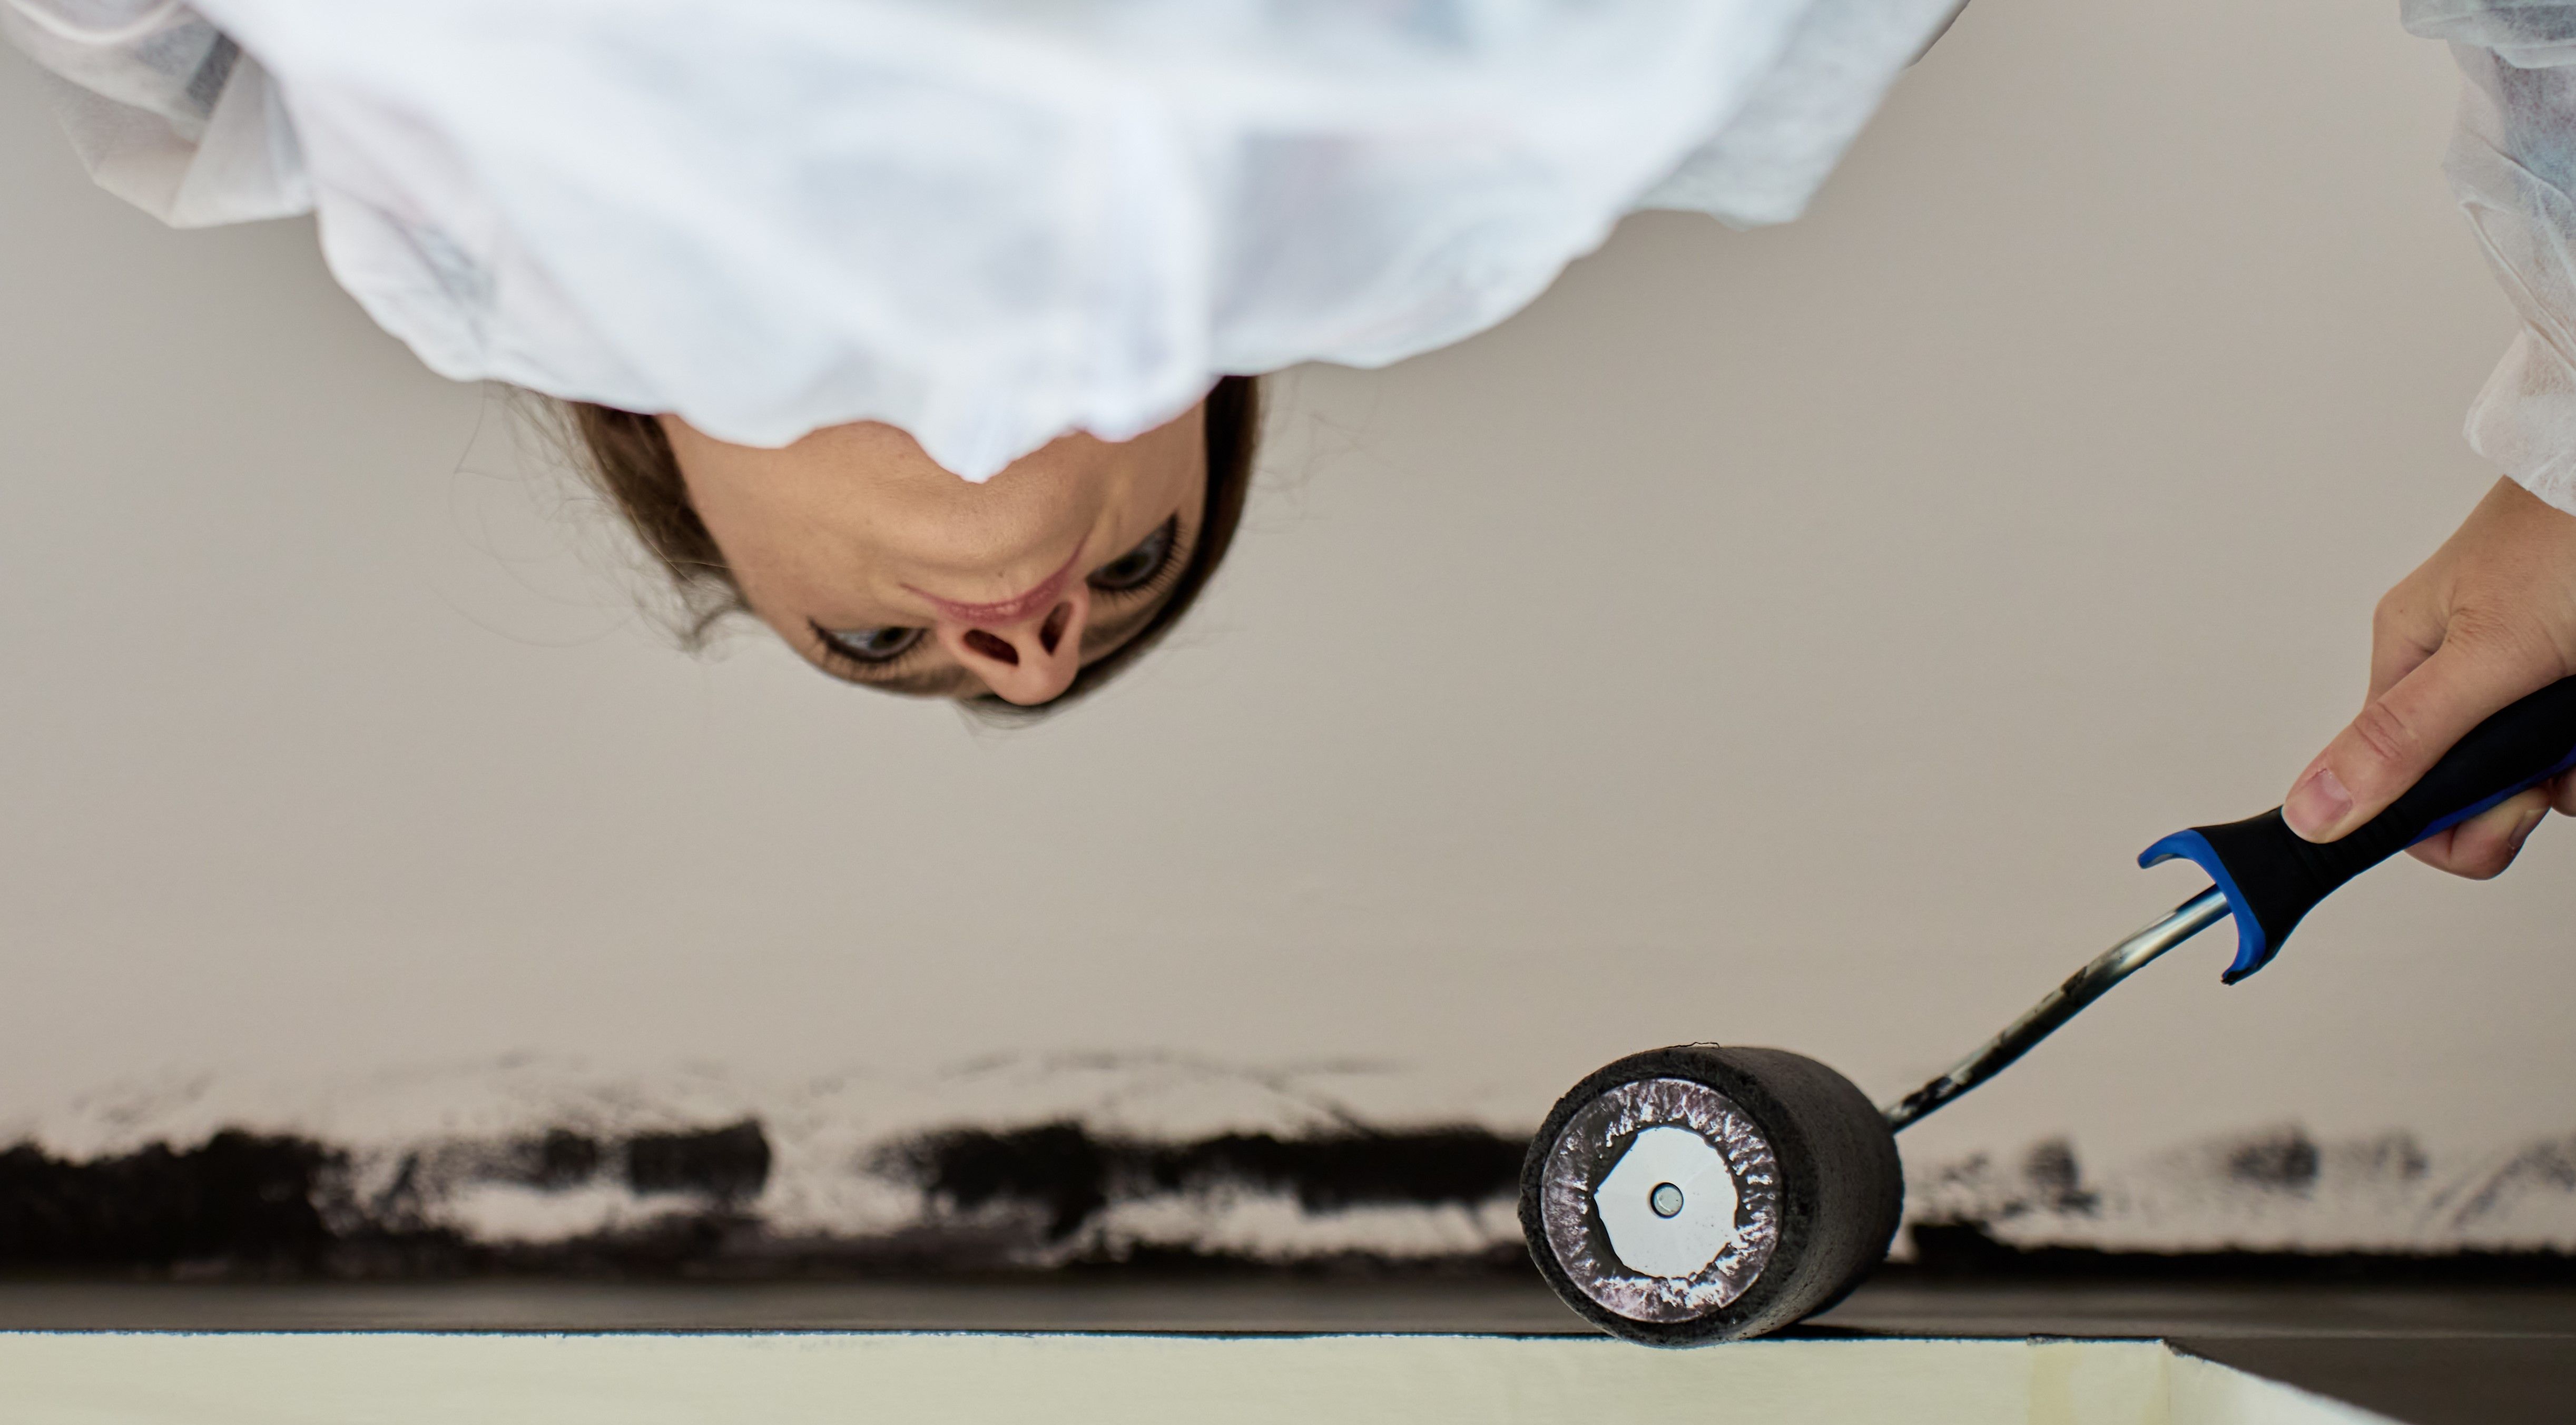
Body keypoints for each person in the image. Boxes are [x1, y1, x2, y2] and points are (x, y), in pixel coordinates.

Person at [9, 2, 2576, 815]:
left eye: (870, 647)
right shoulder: (1475, 116)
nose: (1025, 639)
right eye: (1142, 571)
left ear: (646, 443)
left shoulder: (332, 104)